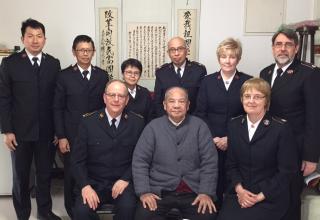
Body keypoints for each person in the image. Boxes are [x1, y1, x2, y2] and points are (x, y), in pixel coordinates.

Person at [0, 18, 61, 220]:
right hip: (19, 132)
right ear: (23, 38)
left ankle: (45, 213)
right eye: (30, 36)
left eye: (39, 36)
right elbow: (4, 98)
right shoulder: (10, 63)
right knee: (21, 178)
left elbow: (56, 100)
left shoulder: (53, 63)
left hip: (46, 132)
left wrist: (57, 131)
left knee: (44, 175)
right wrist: (7, 130)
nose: (35, 40)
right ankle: (23, 215)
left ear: (45, 39)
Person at [260, 27, 320, 220]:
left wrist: (311, 157)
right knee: (272, 197)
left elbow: (315, 117)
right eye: (278, 44)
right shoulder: (265, 73)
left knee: (291, 199)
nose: (283, 49)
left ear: (296, 48)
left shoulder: (309, 73)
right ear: (272, 48)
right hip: (270, 148)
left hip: (295, 149)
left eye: (288, 45)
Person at [217, 78, 298, 220]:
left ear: (266, 101)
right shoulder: (234, 125)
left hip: (269, 197)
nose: (251, 101)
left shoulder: (281, 128)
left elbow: (287, 172)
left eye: (257, 97)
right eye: (247, 96)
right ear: (241, 99)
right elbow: (231, 165)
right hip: (239, 194)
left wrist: (259, 196)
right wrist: (240, 190)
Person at [133, 87, 218, 220]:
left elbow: (210, 163)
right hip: (160, 192)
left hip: (193, 192)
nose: (177, 105)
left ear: (188, 105)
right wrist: (144, 192)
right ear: (165, 105)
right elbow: (140, 161)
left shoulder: (200, 126)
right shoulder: (153, 127)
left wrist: (206, 192)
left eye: (181, 101)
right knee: (143, 215)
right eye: (172, 101)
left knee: (208, 215)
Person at [71, 80, 145, 220]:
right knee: (81, 212)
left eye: (121, 96)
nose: (116, 99)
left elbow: (141, 158)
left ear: (127, 100)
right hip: (93, 182)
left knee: (129, 209)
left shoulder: (137, 123)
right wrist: (85, 186)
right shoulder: (88, 122)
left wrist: (126, 178)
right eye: (112, 95)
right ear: (104, 98)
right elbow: (77, 160)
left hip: (123, 182)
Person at [53, 34, 109, 218]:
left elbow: (106, 106)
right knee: (70, 173)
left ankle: (90, 203)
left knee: (93, 170)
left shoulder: (102, 75)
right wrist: (61, 136)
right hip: (71, 135)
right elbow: (58, 108)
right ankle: (72, 211)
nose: (85, 54)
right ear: (74, 52)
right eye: (81, 50)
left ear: (93, 52)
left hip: (96, 134)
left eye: (88, 50)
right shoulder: (64, 76)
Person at [195, 38, 252, 208]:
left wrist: (230, 138)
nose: (227, 60)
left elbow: (249, 114)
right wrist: (213, 137)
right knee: (213, 180)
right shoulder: (207, 81)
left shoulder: (247, 82)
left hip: (238, 141)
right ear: (218, 58)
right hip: (211, 141)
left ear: (238, 59)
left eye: (232, 57)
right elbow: (200, 113)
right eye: (224, 56)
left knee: (236, 181)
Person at [154, 36, 207, 117]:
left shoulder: (198, 71)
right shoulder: (161, 73)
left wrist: (193, 122)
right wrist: (166, 121)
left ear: (186, 51)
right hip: (167, 121)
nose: (176, 53)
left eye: (180, 49)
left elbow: (202, 101)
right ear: (168, 53)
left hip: (193, 120)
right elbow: (157, 102)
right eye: (172, 50)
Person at [121, 58, 154, 123]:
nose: (133, 76)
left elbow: (151, 115)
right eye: (129, 72)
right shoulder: (117, 92)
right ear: (123, 74)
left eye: (136, 73)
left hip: (143, 130)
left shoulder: (145, 92)